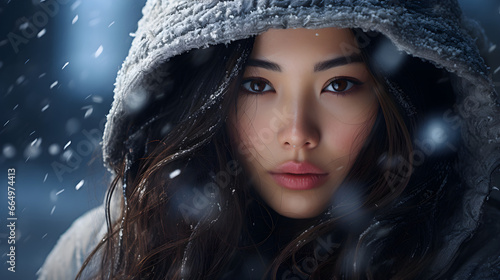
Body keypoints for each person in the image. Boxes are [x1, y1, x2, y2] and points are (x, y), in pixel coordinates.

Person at [38, 0, 500, 279]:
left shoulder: (480, 262)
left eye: (339, 85)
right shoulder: (109, 254)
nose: (298, 134)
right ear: (202, 98)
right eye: (258, 85)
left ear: (398, 98)